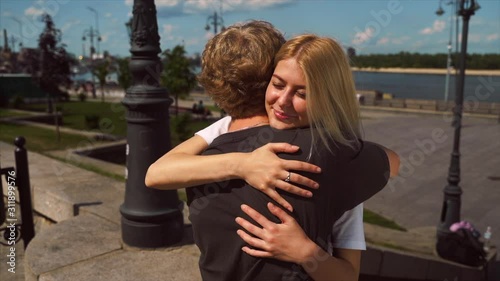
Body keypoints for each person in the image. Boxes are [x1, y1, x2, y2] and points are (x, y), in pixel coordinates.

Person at [146, 21, 399, 281]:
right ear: (268, 78)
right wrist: (243, 165)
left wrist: (304, 252)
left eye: (302, 93)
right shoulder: (340, 161)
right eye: (277, 84)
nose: (283, 100)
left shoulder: (210, 152)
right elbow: (391, 163)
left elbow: (156, 173)